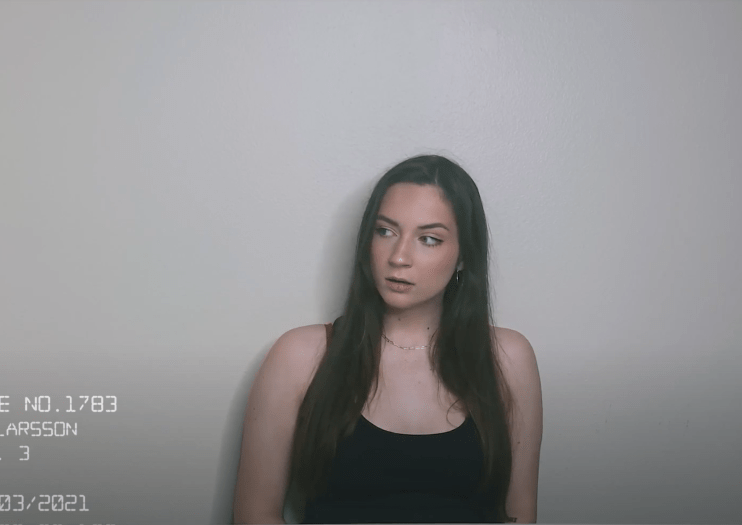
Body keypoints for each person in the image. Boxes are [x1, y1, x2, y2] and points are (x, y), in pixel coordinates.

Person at [233, 155, 543, 524]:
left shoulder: (509, 358)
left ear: (464, 256)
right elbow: (254, 514)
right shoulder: (299, 356)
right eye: (385, 231)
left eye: (429, 239)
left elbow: (518, 514)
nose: (399, 257)